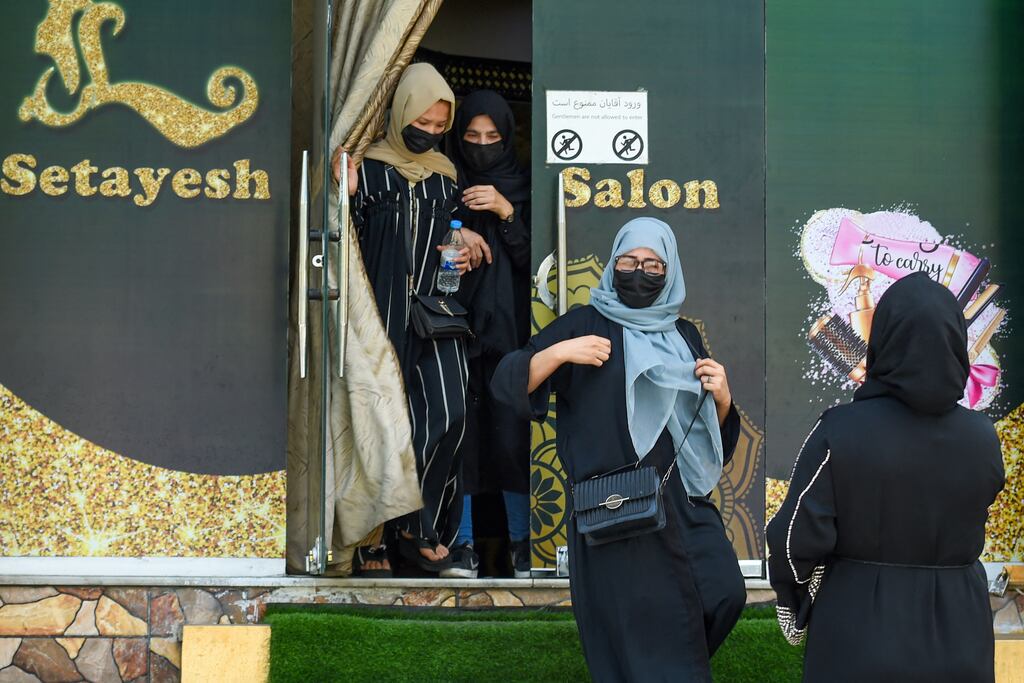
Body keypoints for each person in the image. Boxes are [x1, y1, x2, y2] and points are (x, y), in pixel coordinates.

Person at [491, 217, 746, 681]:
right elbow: (507, 380)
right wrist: (560, 353)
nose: (639, 271)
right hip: (618, 507)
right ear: (613, 264)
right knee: (638, 628)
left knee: (725, 592)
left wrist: (723, 396)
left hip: (682, 502)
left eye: (652, 264)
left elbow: (711, 432)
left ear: (670, 272)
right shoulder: (585, 324)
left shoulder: (683, 334)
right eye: (629, 261)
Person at [766, 272, 1005, 682]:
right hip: (960, 631)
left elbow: (793, 539)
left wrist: (795, 601)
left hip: (858, 630)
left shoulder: (840, 430)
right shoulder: (982, 437)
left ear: (883, 340)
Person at [333, 63, 490, 576]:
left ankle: (420, 527)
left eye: (440, 125)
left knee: (449, 415)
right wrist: (347, 196)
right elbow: (346, 242)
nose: (429, 132)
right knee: (381, 424)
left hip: (435, 311)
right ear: (401, 111)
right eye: (421, 120)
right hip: (378, 317)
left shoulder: (445, 175)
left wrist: (459, 245)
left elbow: (446, 233)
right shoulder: (368, 168)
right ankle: (377, 537)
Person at [440, 90, 532, 579]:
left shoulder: (523, 188)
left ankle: (524, 544)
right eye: (472, 137)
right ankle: (463, 544)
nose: (481, 146)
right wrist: (454, 235)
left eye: (492, 137)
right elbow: (433, 266)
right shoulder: (444, 184)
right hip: (456, 330)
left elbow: (537, 265)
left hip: (514, 334)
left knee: (514, 436)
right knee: (463, 437)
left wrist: (505, 212)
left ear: (508, 138)